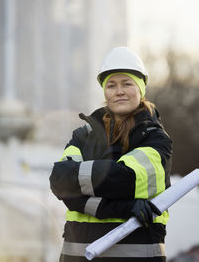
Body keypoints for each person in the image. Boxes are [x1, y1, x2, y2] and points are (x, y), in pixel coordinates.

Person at [50, 46, 172, 262]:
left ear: (140, 89)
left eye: (127, 83)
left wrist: (79, 179)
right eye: (111, 85)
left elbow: (125, 179)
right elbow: (59, 181)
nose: (119, 91)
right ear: (105, 92)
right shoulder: (82, 135)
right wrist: (124, 207)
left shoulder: (155, 138)